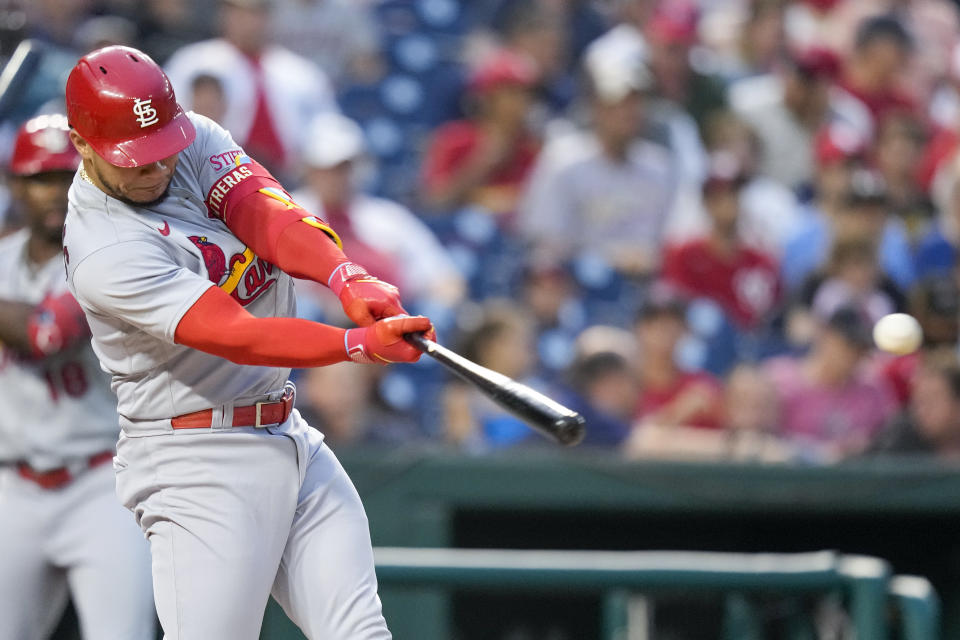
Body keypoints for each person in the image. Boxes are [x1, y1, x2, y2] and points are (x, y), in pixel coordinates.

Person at [62, 45, 433, 639]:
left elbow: (263, 212)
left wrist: (345, 275)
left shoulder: (190, 139)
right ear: (81, 144)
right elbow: (240, 335)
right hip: (195, 459)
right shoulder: (104, 248)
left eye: (163, 152)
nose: (157, 169)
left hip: (286, 432)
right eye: (136, 161)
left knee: (360, 632)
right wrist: (357, 344)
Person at [0, 114, 154, 640]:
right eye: (41, 178)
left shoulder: (108, 258)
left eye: (68, 177)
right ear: (13, 183)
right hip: (12, 484)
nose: (55, 193)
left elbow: (45, 334)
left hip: (101, 483)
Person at [293, 112, 465, 311]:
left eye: (342, 168)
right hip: (321, 325)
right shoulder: (288, 212)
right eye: (325, 168)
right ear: (308, 169)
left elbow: (445, 278)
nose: (334, 178)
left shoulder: (387, 218)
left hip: (390, 322)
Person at [164, 0, 337, 177]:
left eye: (257, 13)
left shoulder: (301, 72)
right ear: (224, 14)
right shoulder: (192, 62)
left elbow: (328, 132)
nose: (249, 22)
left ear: (269, 17)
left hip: (291, 181)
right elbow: (167, 122)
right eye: (239, 13)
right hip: (212, 174)